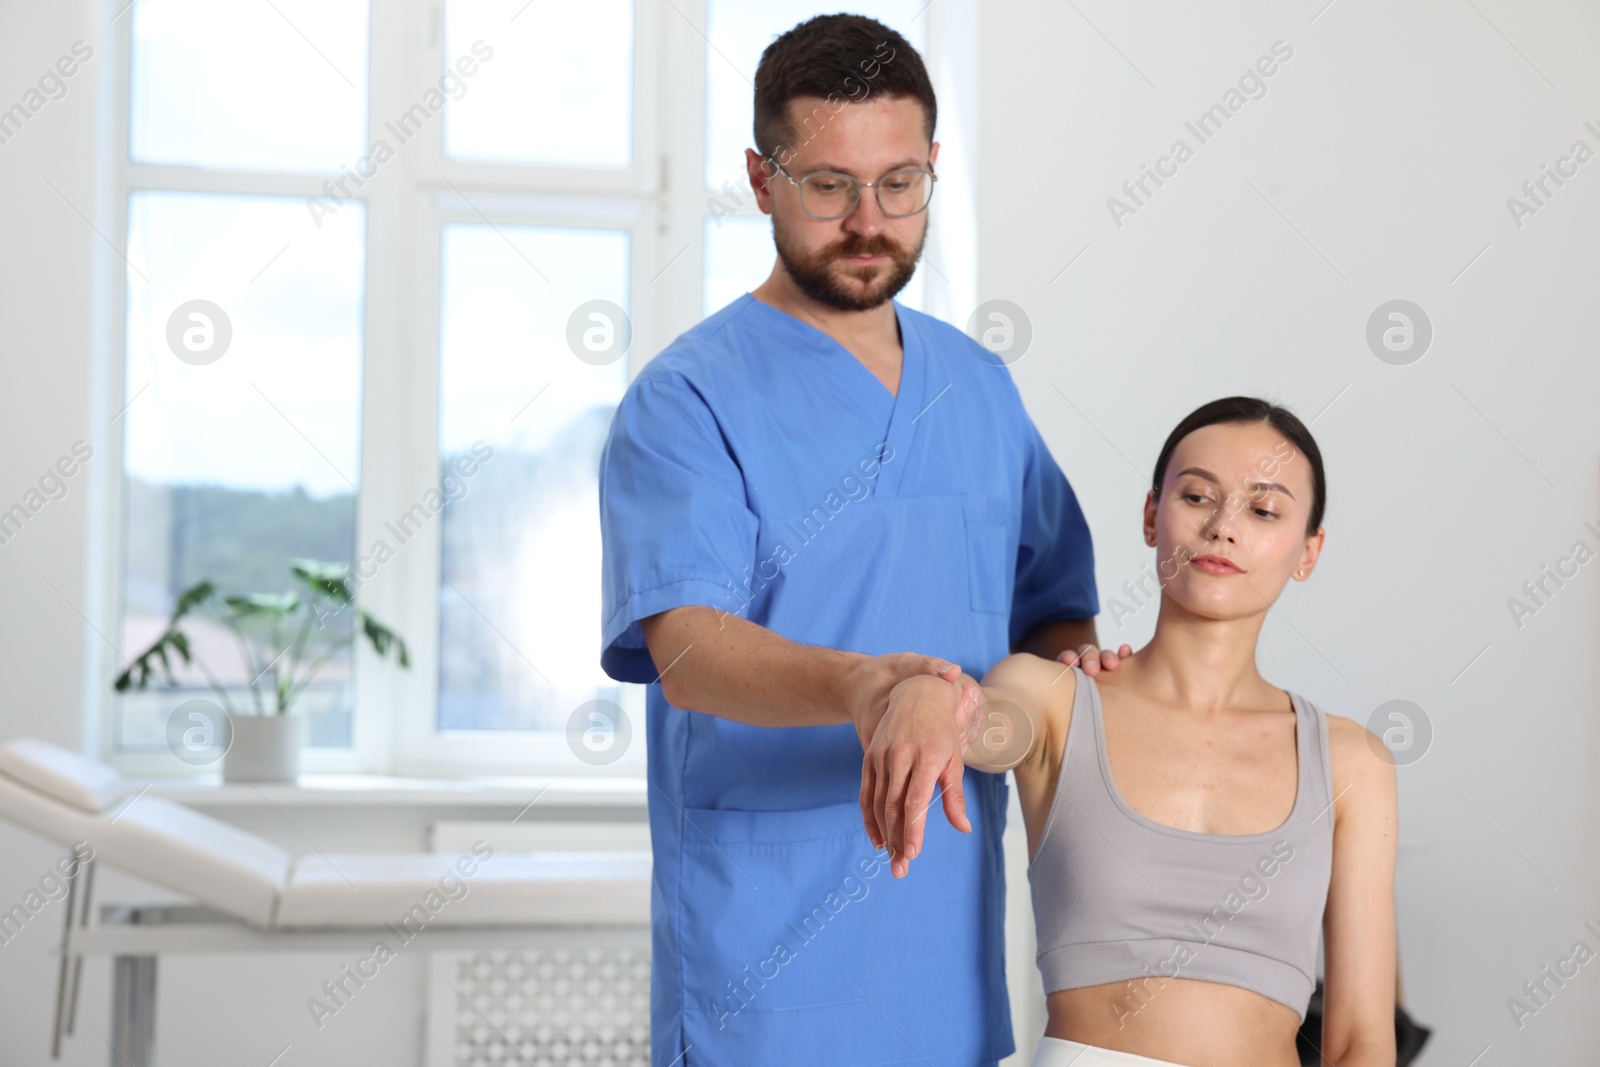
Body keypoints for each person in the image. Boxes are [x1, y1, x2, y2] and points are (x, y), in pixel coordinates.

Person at [597, 13, 1129, 1066]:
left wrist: (1066, 699)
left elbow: (1056, 611)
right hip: (763, 956)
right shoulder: (688, 398)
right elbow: (688, 651)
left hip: (946, 951)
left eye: (899, 183)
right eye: (827, 185)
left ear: (933, 168)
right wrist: (871, 688)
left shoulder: (976, 389)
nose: (867, 220)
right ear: (761, 179)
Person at [864, 397, 1399, 1067]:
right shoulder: (1053, 697)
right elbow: (978, 724)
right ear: (1152, 516)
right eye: (1199, 495)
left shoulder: (1352, 761)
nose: (1223, 527)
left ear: (1308, 551)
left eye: (1263, 510)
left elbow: (1360, 1041)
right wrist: (926, 693)